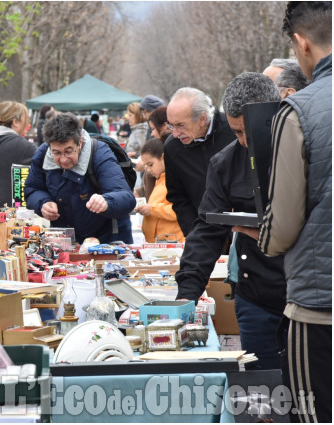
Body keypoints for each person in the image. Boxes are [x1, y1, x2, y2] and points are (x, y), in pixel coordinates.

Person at [176, 72, 285, 371]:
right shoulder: (225, 163)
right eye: (237, 132)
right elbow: (207, 231)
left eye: (251, 131)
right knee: (263, 394)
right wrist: (187, 293)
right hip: (255, 297)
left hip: (305, 296)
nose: (246, 141)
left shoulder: (305, 150)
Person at [257, 3, 331, 421]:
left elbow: (281, 225)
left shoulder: (299, 110)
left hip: (320, 308)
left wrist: (262, 237)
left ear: (301, 44)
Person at [24, 112, 136, 244]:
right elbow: (32, 188)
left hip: (106, 240)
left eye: (69, 151)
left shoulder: (100, 154)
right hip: (65, 240)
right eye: (57, 153)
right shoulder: (42, 155)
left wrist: (106, 201)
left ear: (80, 142)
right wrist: (43, 203)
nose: (63, 159)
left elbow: (126, 197)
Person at [164, 87, 235, 236]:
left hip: (241, 232)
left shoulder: (234, 132)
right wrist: (194, 234)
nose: (175, 134)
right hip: (202, 235)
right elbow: (178, 197)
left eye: (180, 125)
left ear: (202, 119)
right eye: (171, 125)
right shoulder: (172, 147)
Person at [137, 138, 184, 243]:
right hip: (158, 244)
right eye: (146, 166)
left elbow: (181, 211)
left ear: (163, 158)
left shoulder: (176, 180)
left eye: (150, 164)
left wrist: (153, 209)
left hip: (172, 243)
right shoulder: (160, 181)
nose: (148, 170)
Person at [135, 106, 172, 199]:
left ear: (164, 126)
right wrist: (140, 191)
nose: (152, 133)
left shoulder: (172, 156)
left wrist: (152, 209)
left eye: (154, 128)